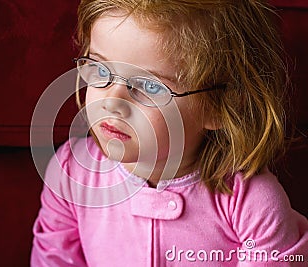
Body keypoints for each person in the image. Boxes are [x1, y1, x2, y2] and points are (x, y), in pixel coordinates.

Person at [31, 0, 308, 266]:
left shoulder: (253, 205)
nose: (112, 103)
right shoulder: (70, 173)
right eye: (100, 69)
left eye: (150, 87)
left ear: (219, 107)